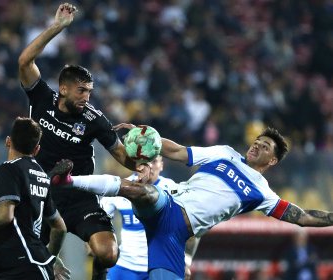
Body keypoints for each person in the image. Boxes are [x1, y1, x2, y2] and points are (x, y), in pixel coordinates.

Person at [49, 124, 333, 280]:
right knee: (140, 190)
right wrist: (148, 136)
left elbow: (302, 216)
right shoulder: (224, 153)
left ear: (271, 161)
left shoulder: (263, 192)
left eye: (265, 146)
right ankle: (69, 180)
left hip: (175, 236)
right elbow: (178, 152)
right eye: (258, 140)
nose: (257, 144)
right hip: (169, 206)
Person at [18, 3, 147, 279]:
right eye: (81, 91)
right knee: (31, 266)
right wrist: (58, 27)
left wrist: (141, 158)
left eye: (89, 91)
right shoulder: (42, 98)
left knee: (108, 253)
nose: (86, 97)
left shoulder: (94, 119)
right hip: (41, 195)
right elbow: (24, 62)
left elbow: (122, 156)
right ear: (63, 88)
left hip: (79, 197)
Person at [0, 117, 70, 280]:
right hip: (27, 263)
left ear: (8, 141)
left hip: (17, 266)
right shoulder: (41, 176)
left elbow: (5, 214)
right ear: (37, 149)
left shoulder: (9, 168)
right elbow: (59, 227)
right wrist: (49, 259)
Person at [100, 155, 200, 280]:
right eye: (145, 162)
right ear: (137, 165)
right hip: (124, 267)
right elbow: (100, 220)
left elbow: (194, 225)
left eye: (154, 161)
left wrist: (187, 260)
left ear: (161, 165)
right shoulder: (121, 187)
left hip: (160, 267)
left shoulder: (173, 190)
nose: (150, 166)